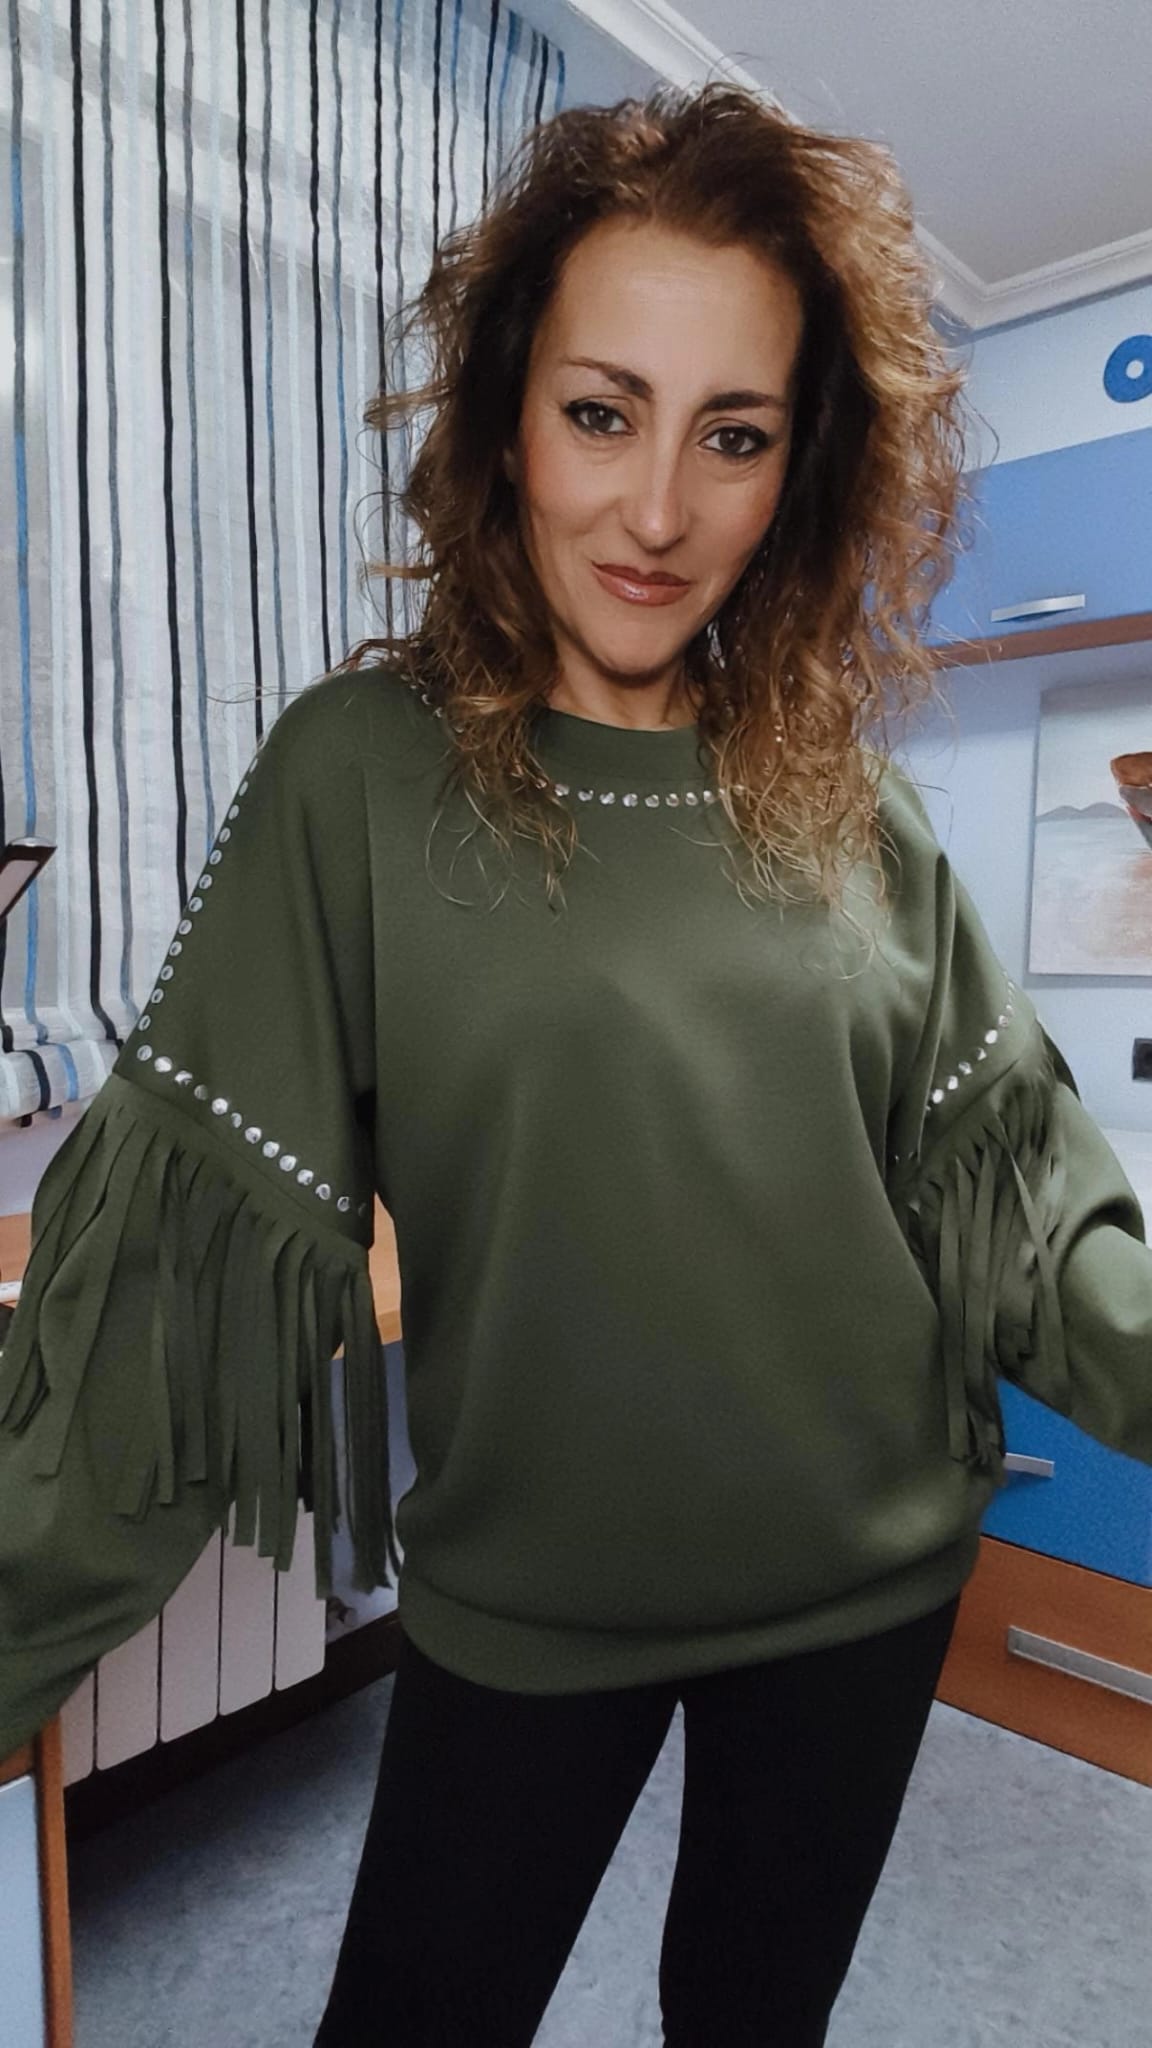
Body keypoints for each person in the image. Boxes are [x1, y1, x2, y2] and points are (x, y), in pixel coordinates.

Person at [1, 82, 1150, 2048]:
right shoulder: (357, 778)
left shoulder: (859, 813)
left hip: (869, 1586)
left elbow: (1032, 1222)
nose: (657, 510)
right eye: (605, 412)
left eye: (735, 436)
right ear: (506, 415)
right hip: (527, 1607)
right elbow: (169, 1319)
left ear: (800, 472)